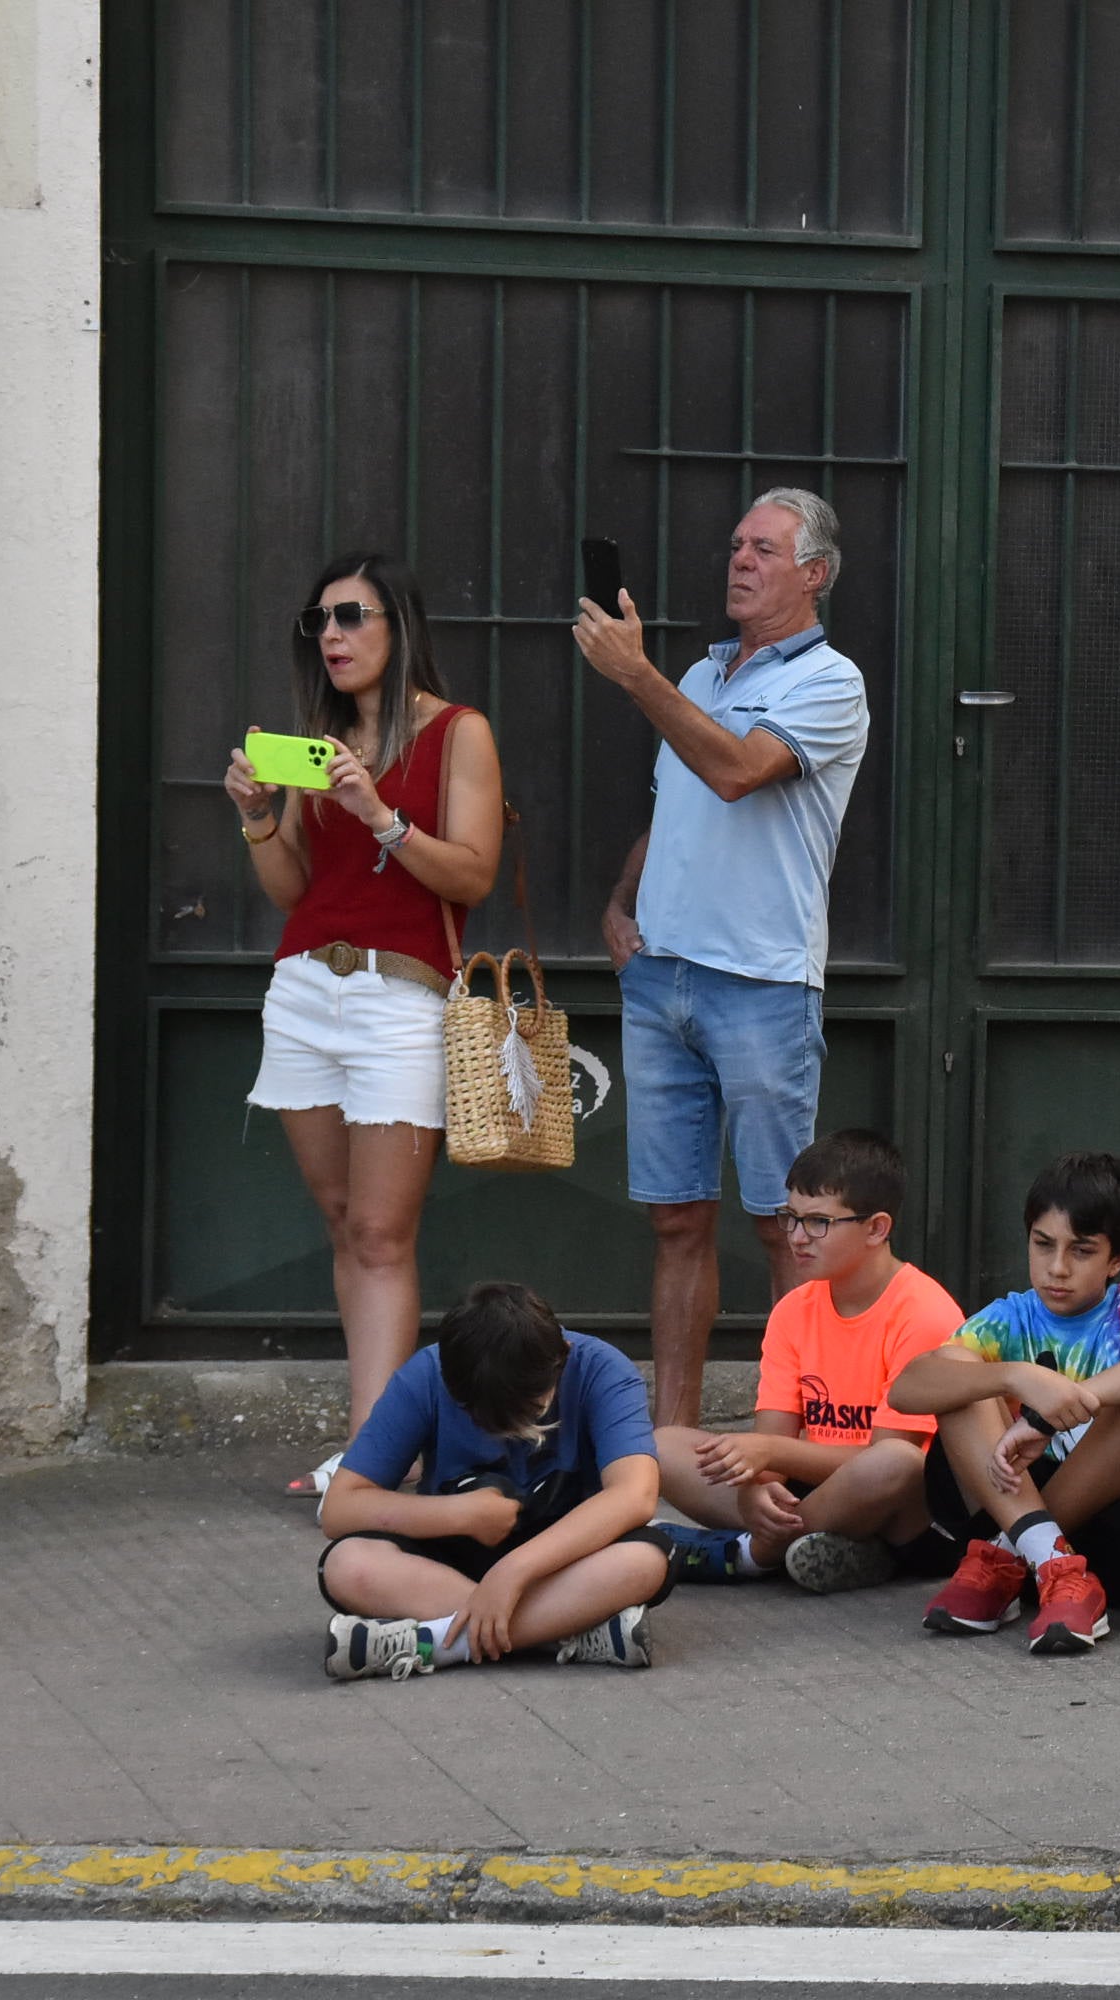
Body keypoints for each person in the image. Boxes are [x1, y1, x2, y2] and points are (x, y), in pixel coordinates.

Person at [575, 490, 869, 1428]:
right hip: (661, 977)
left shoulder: (831, 680)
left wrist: (636, 677)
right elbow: (677, 807)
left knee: (787, 1228)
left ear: (813, 574)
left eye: (766, 550)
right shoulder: (700, 676)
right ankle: (669, 1444)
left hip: (762, 985)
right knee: (675, 1221)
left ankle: (793, 1440)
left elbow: (736, 772)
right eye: (736, 544)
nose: (740, 560)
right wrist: (622, 904)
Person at [227, 553, 506, 1499]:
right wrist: (262, 818)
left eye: (353, 616)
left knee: (385, 1233)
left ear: (400, 626)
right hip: (306, 990)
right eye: (320, 622)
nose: (334, 636)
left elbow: (471, 876)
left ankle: (374, 1459)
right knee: (348, 1224)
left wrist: (379, 814)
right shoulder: (316, 738)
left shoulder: (458, 732)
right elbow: (294, 893)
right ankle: (371, 1446)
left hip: (401, 995)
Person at [886, 1153, 1120, 1654]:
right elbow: (906, 1389)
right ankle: (1051, 1562)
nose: (1057, 1268)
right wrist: (1018, 1375)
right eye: (1043, 1245)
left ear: (1117, 1259)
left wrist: (1070, 1401)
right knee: (959, 1376)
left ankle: (1010, 1558)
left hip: (1107, 1515)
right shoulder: (1011, 1316)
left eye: (1081, 1251)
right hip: (1005, 1491)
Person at [650, 1130, 964, 1593]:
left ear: (877, 1228)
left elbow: (891, 1458)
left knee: (894, 1462)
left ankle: (752, 1554)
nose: (797, 1238)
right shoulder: (794, 1310)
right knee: (662, 1446)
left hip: (903, 1510)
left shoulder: (925, 1312)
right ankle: (831, 1547)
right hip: (815, 1496)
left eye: (818, 1222)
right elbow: (769, 1445)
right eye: (790, 1218)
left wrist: (770, 1456)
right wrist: (758, 1487)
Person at [315, 1282, 669, 1680]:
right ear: (448, 1376)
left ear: (563, 1358)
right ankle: (563, 1632)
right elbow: (340, 1508)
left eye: (531, 1409)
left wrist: (514, 1571)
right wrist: (457, 1515)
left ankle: (430, 1643)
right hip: (450, 1561)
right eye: (482, 1415)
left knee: (645, 1561)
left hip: (559, 1561)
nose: (511, 1429)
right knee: (348, 1565)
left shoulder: (604, 1369)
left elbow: (635, 1495)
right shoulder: (424, 1375)